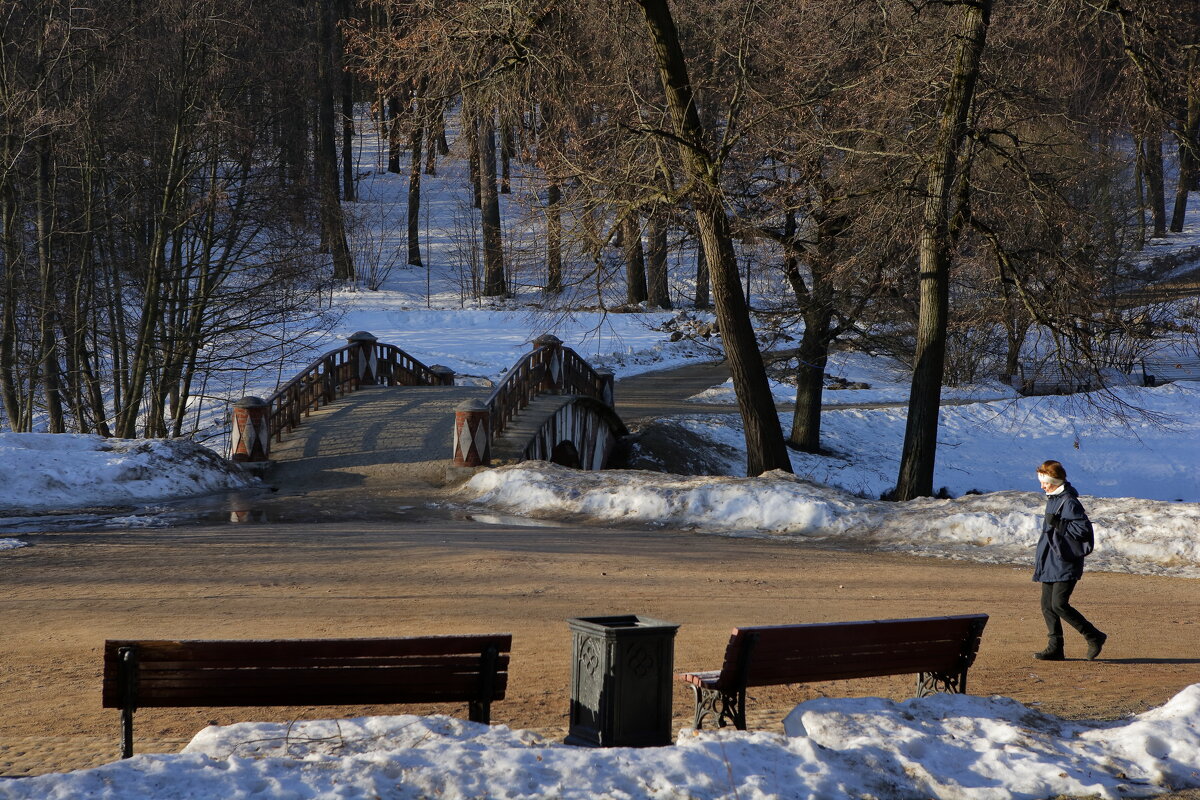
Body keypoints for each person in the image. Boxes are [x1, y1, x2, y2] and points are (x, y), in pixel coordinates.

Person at [1032, 460, 1106, 661]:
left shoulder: (1069, 501)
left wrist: (1060, 524)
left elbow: (1082, 530)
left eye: (1044, 482)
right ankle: (1055, 647)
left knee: (1059, 604)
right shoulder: (1053, 498)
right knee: (1047, 605)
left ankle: (1094, 636)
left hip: (1065, 561)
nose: (1042, 486)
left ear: (1054, 481)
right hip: (1050, 561)